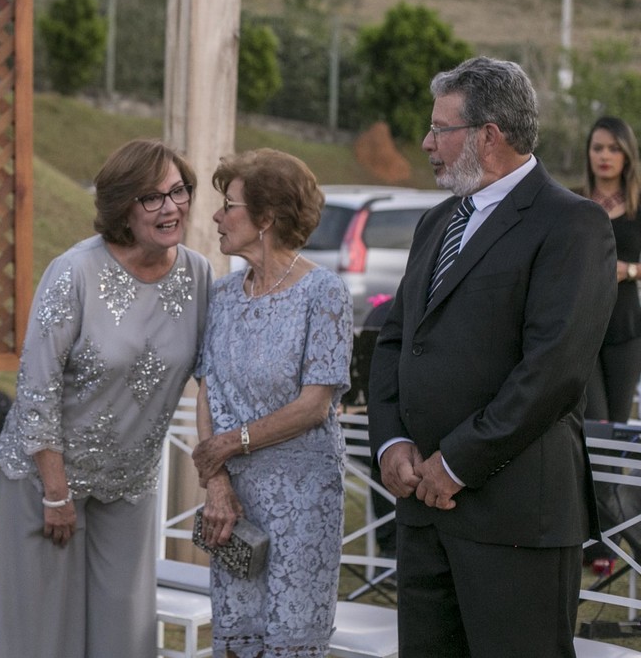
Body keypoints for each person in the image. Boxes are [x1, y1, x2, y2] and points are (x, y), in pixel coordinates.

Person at [366, 56, 617, 657]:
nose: (426, 143)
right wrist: (392, 442)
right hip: (424, 516)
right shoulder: (435, 223)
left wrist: (455, 463)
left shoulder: (571, 225)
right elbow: (397, 340)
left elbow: (551, 371)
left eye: (439, 129)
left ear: (488, 135)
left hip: (512, 521)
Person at [0, 138, 212, 658]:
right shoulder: (74, 272)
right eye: (152, 198)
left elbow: (211, 380)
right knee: (38, 639)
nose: (171, 207)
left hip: (128, 487)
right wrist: (56, 492)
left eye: (179, 191)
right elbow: (36, 388)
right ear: (122, 208)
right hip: (44, 480)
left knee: (123, 638)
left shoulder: (199, 274)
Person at [192, 148, 354, 658]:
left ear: (265, 218)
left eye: (229, 205)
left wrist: (229, 445)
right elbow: (207, 390)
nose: (217, 216)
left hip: (303, 502)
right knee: (237, 642)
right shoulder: (220, 296)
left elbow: (314, 406)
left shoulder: (323, 293)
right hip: (233, 506)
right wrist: (217, 482)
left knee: (289, 644)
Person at [580, 116, 641, 424]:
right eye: (598, 148)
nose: (604, 156)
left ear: (627, 154)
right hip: (579, 328)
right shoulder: (572, 201)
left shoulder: (637, 205)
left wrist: (629, 270)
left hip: (624, 328)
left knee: (615, 427)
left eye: (614, 149)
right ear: (588, 153)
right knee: (592, 423)